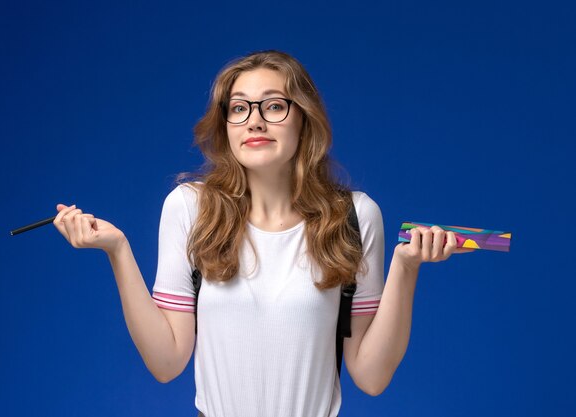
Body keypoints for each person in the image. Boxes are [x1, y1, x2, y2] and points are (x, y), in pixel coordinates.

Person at [53, 50, 471, 417]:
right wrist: (118, 250)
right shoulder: (190, 208)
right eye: (238, 108)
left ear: (304, 119)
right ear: (227, 125)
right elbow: (166, 363)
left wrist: (406, 267)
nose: (254, 121)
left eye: (273, 106)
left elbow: (372, 376)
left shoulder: (355, 216)